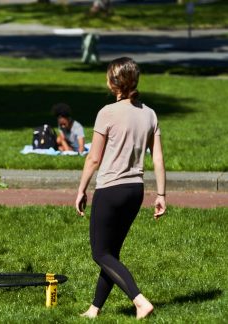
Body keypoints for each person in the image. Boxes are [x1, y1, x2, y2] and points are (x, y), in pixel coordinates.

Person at [75, 57, 166, 319]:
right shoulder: (149, 113)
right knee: (111, 253)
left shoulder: (107, 112)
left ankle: (139, 301)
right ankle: (95, 308)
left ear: (113, 83)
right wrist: (161, 195)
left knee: (100, 253)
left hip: (110, 191)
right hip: (135, 191)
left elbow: (93, 158)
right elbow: (157, 158)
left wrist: (81, 189)